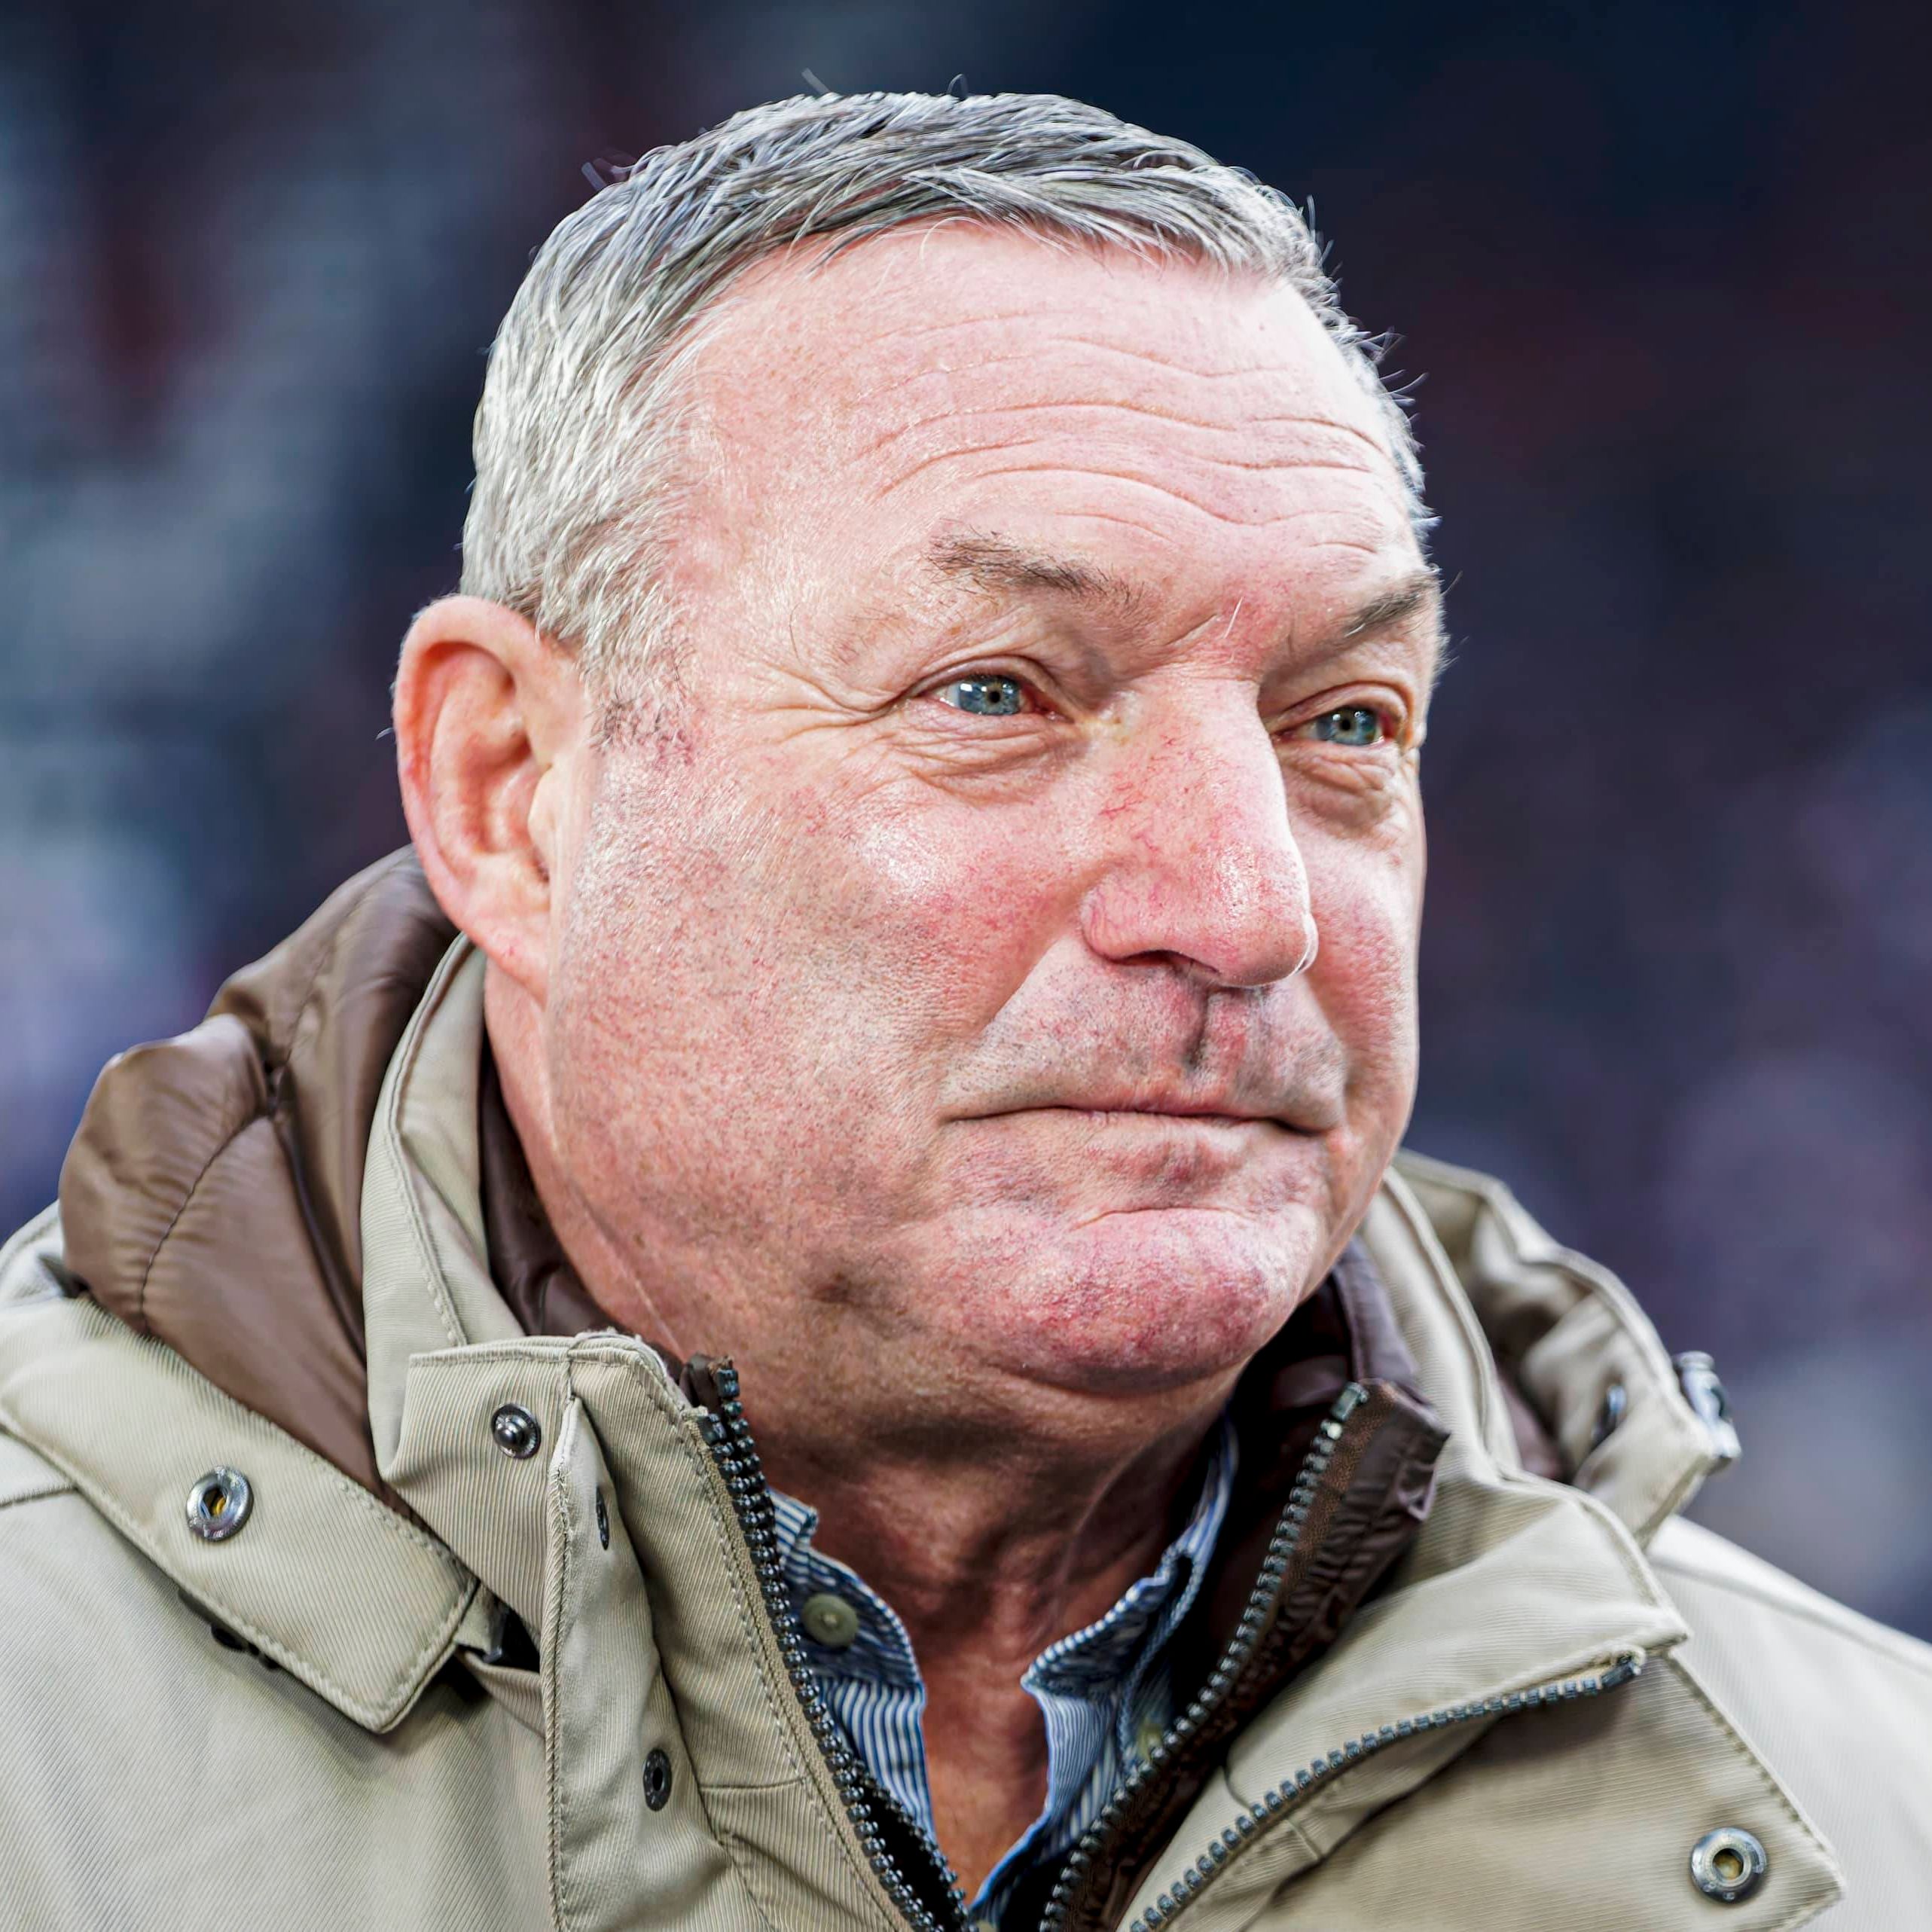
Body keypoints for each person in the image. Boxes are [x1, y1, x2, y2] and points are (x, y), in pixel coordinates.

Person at [1, 89, 1925, 1932]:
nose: (1244, 906)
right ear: (514, 790)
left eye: (1344, 721)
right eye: (995, 693)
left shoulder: (1865, 1820)